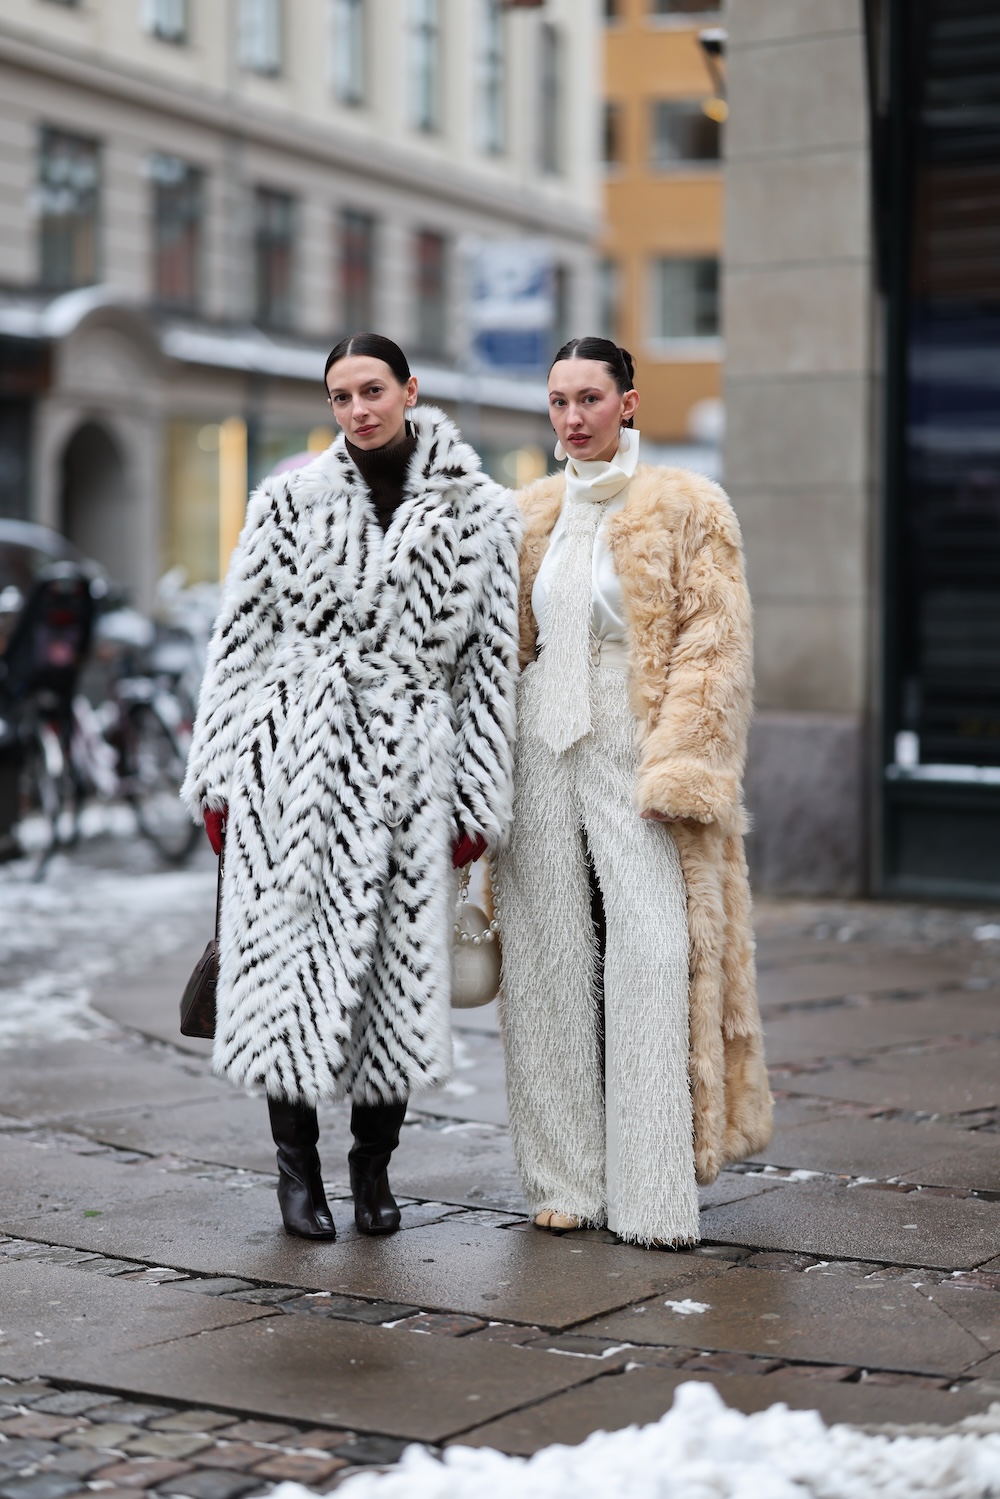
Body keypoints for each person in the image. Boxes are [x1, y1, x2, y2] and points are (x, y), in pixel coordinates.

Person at [182, 334, 521, 1241]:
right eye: (340, 396)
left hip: (412, 771)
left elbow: (489, 669)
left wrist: (476, 802)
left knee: (394, 980)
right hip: (287, 760)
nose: (358, 409)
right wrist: (218, 776)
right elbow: (239, 641)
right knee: (282, 973)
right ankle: (297, 1176)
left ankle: (373, 1170)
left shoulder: (483, 513)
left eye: (373, 389)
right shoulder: (286, 500)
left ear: (410, 390)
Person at [493, 336, 771, 1248]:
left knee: (651, 949)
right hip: (540, 737)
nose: (573, 418)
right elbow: (503, 648)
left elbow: (714, 644)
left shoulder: (687, 503)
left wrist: (682, 764)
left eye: (590, 399)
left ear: (629, 402)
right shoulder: (530, 509)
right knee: (545, 956)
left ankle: (653, 1192)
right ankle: (564, 1177)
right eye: (559, 402)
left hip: (633, 735)